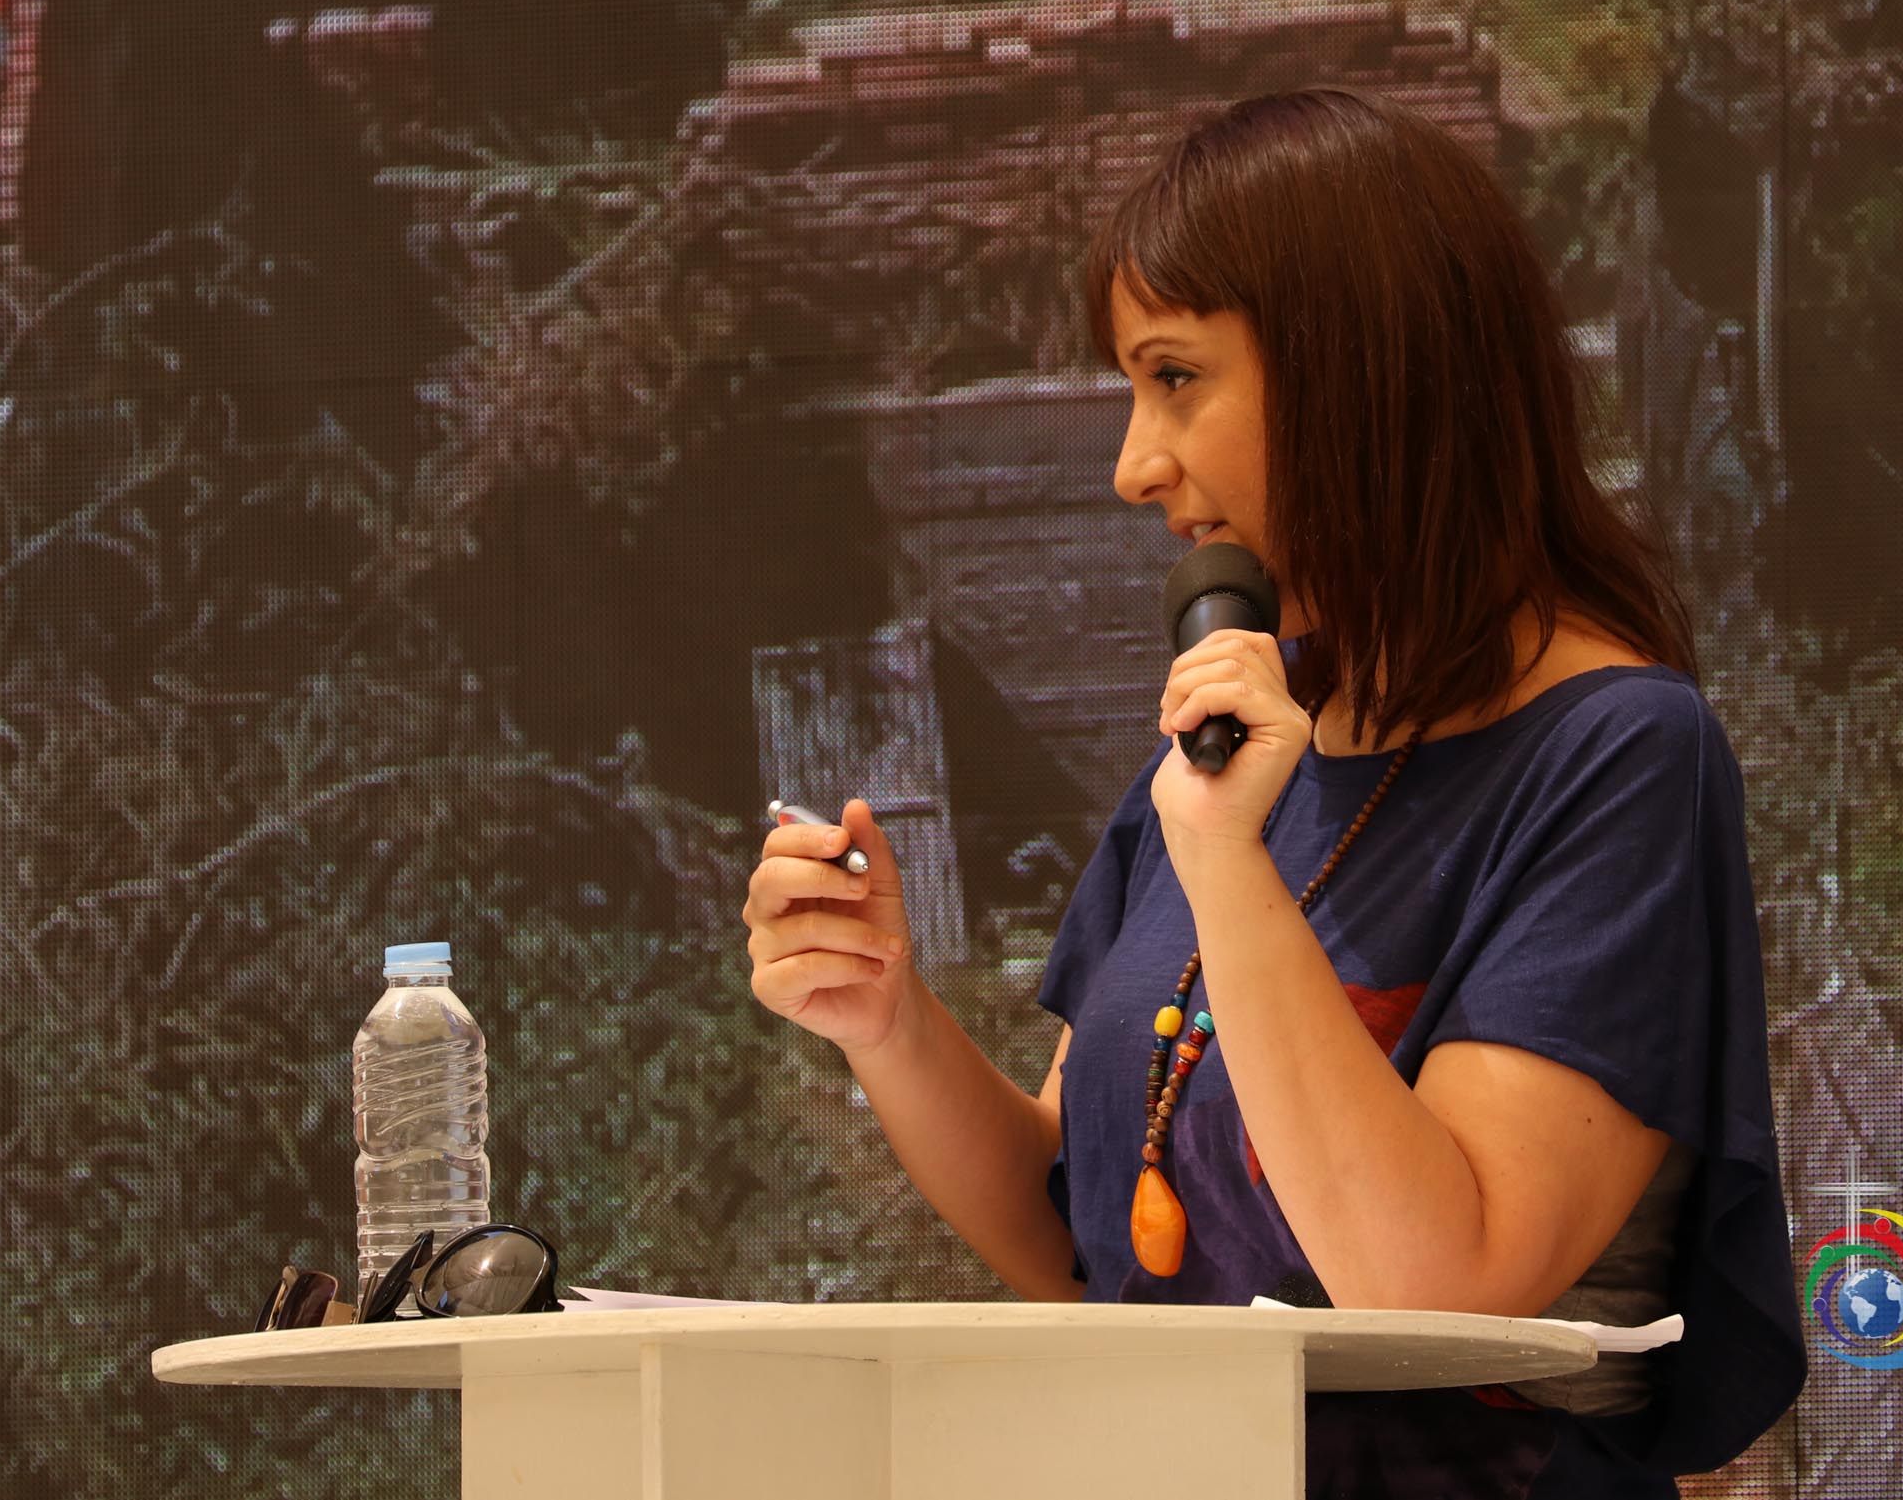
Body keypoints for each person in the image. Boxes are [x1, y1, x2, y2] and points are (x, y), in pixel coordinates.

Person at [742, 86, 1806, 1496]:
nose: (1134, 466)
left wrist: (1228, 866)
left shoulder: (1615, 753)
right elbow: (1087, 1235)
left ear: (1362, 370)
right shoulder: (1238, 750)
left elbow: (1443, 1283)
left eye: (1175, 378)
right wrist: (884, 1019)